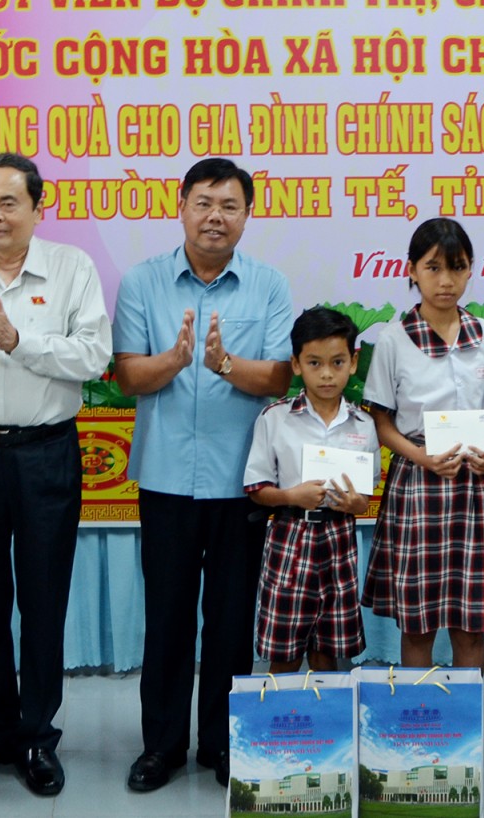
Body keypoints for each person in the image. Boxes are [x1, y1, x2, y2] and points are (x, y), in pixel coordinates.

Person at [0, 153, 110, 797]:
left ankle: (38, 735)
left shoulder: (72, 268)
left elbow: (94, 355)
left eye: (9, 203)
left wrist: (16, 340)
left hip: (46, 453)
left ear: (38, 207)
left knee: (42, 599)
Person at [113, 158, 293, 792]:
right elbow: (127, 374)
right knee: (166, 618)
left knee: (230, 619)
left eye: (230, 206)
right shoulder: (143, 282)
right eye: (205, 203)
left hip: (242, 481)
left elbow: (279, 376)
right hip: (166, 479)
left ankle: (222, 742)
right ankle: (160, 747)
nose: (216, 217)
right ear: (182, 205)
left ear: (247, 215)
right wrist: (175, 360)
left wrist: (222, 365)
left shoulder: (269, 285)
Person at [362, 218, 484, 668]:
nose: (446, 280)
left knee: (472, 624)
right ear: (411, 270)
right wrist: (422, 457)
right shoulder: (393, 339)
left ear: (471, 269)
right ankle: (421, 712)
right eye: (433, 268)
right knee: (418, 624)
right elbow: (381, 421)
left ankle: (466, 713)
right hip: (418, 482)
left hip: (476, 485)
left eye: (457, 267)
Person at [244, 306, 377, 674]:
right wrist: (291, 496)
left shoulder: (363, 424)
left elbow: (365, 497)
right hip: (290, 536)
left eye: (337, 362)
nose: (327, 374)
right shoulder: (275, 418)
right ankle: (281, 712)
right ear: (296, 364)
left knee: (328, 651)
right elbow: (256, 488)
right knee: (284, 651)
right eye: (314, 363)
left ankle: (326, 712)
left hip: (340, 537)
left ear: (353, 362)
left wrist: (355, 503)